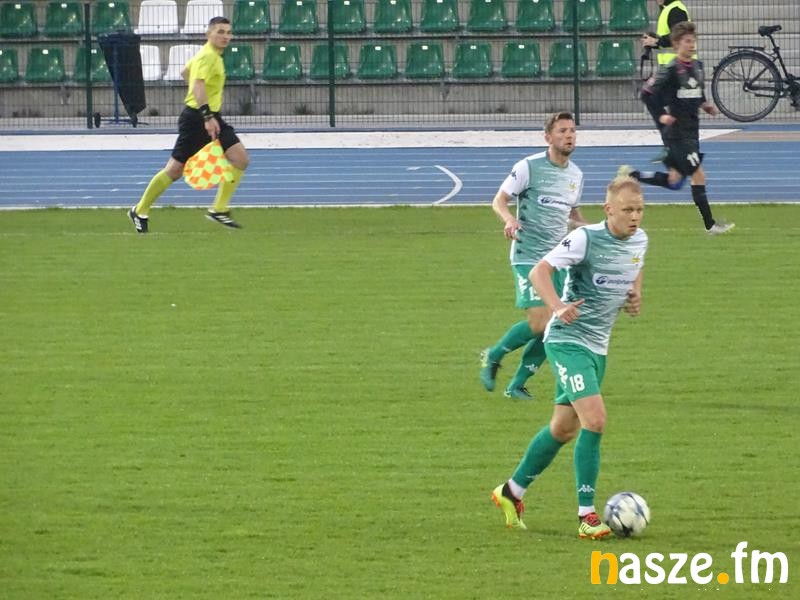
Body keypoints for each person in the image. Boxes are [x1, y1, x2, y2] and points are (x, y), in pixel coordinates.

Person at [491, 175, 648, 539]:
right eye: (627, 210)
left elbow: (636, 264)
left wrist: (635, 293)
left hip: (598, 347)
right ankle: (587, 515)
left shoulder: (640, 239)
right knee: (595, 420)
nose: (635, 216)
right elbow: (539, 271)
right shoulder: (585, 238)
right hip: (567, 341)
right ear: (608, 210)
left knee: (563, 428)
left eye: (640, 210)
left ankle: (511, 492)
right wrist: (558, 306)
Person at [479, 112, 586, 400]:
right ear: (548, 137)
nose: (569, 135)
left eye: (572, 130)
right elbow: (499, 200)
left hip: (557, 259)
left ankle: (516, 385)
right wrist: (509, 219)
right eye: (562, 130)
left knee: (557, 323)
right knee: (540, 321)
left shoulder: (576, 175)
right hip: (527, 253)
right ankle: (494, 354)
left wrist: (592, 231)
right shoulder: (528, 167)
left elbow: (573, 216)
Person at [128, 17, 249, 233]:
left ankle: (219, 209)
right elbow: (198, 84)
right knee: (174, 170)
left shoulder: (210, 55)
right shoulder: (208, 56)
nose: (225, 36)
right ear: (208, 34)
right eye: (220, 32)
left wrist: (207, 110)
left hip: (210, 116)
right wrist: (206, 115)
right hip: (198, 119)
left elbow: (185, 73)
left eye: (228, 32)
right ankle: (140, 210)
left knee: (240, 159)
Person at [621, 21, 734, 235]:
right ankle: (711, 225)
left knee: (675, 181)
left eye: (693, 41)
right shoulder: (670, 69)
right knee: (698, 174)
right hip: (677, 134)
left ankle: (632, 175)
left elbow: (696, 90)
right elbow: (646, 93)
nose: (692, 45)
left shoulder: (697, 66)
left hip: (692, 131)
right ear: (676, 44)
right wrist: (661, 115)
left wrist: (705, 105)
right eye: (687, 41)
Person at [641, 0, 693, 156]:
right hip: (671, 70)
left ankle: (672, 144)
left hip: (678, 70)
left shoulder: (675, 10)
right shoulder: (667, 8)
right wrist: (655, 41)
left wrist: (656, 41)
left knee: (650, 97)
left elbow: (679, 38)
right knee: (653, 98)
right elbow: (670, 38)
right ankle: (673, 145)